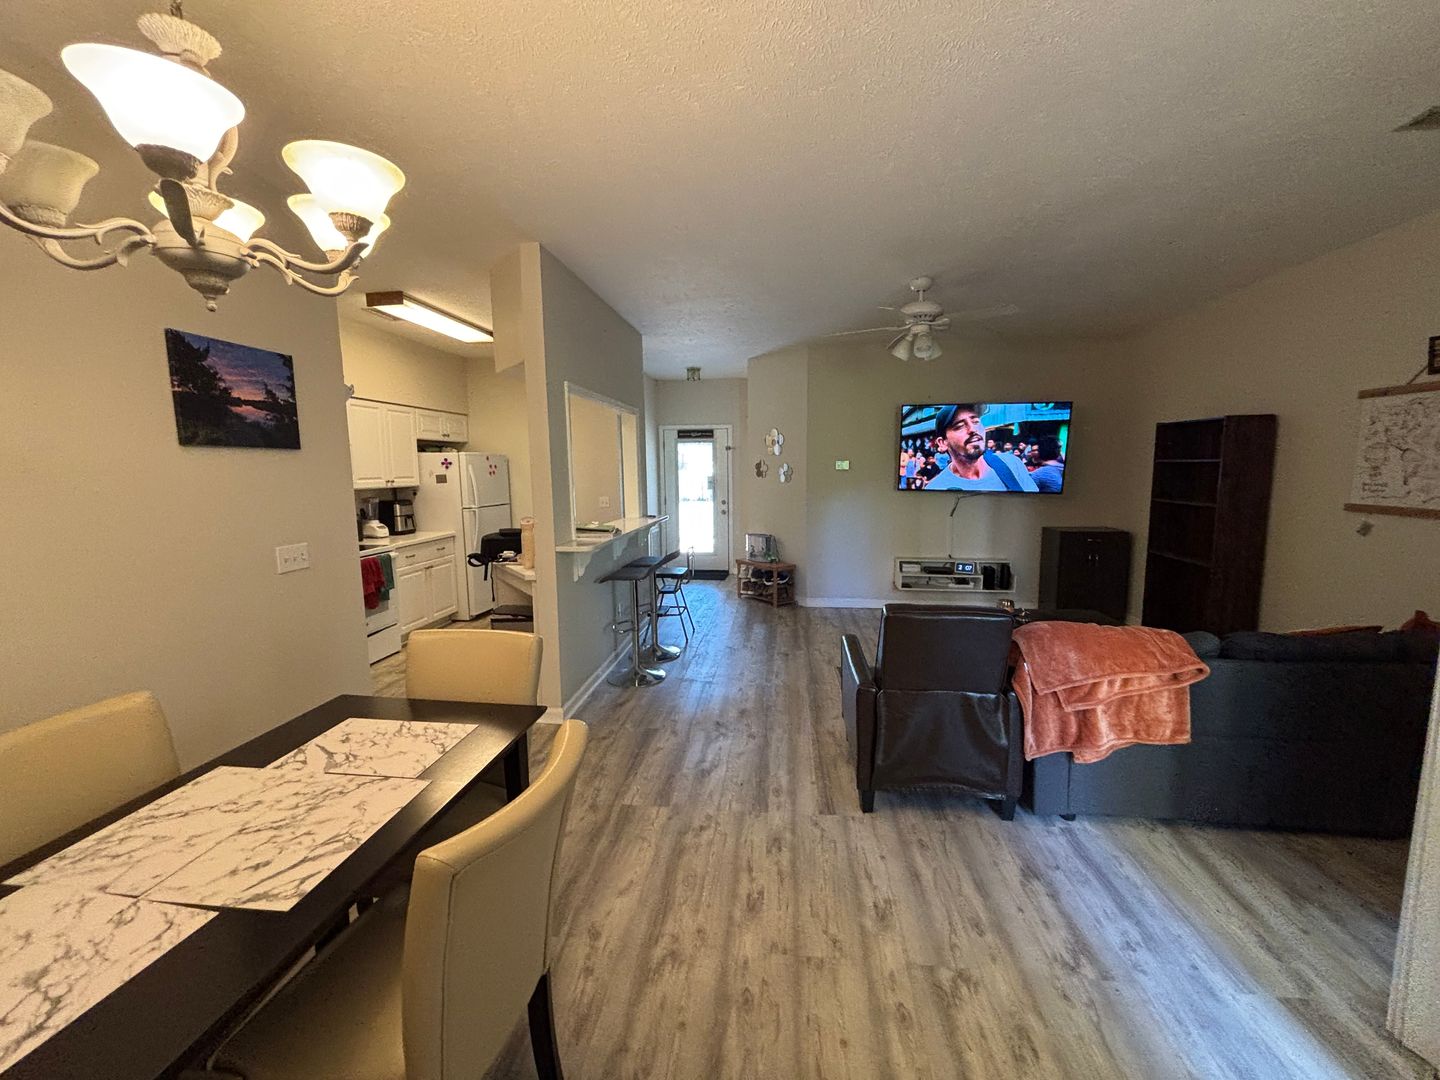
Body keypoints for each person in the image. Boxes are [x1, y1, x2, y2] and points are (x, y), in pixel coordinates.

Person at [923, 404, 1039, 492]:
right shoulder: (936, 488)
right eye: (960, 426)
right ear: (942, 443)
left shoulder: (1012, 464)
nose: (973, 429)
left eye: (976, 421)